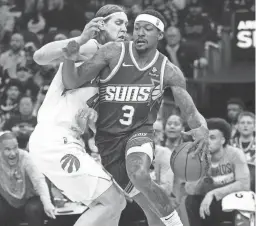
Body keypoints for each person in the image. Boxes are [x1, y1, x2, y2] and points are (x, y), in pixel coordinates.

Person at [62, 9, 209, 226]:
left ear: (160, 35)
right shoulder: (113, 52)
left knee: (138, 172)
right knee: (150, 210)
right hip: (107, 143)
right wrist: (69, 58)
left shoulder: (168, 70)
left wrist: (201, 128)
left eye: (147, 29)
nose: (140, 33)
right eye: (137, 28)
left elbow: (191, 112)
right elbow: (72, 82)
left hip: (139, 133)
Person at [29, 4, 128, 226]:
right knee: (113, 202)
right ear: (101, 25)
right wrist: (81, 39)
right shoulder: (93, 47)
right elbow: (39, 56)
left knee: (112, 206)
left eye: (127, 25)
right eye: (119, 22)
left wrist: (95, 120)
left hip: (69, 141)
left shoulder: (112, 69)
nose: (125, 29)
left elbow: (98, 129)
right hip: (54, 139)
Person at [185, 118, 250, 226]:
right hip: (207, 203)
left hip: (231, 201)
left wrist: (213, 193)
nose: (207, 141)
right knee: (191, 201)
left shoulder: (236, 154)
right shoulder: (197, 156)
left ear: (223, 140)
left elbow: (244, 184)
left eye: (212, 138)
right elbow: (190, 190)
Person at [0, 131, 55, 226]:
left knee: (32, 209)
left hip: (30, 199)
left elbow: (39, 181)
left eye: (15, 148)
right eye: (7, 149)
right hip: (9, 201)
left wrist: (47, 203)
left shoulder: (25, 157)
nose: (13, 153)